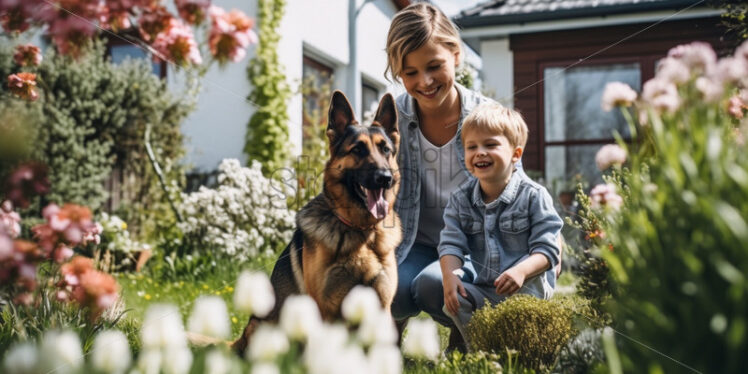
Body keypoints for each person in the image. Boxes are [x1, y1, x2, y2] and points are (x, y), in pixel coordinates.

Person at [385, 2, 492, 350]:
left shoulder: (486, 118)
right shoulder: (394, 117)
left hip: (471, 248)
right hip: (412, 241)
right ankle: (387, 340)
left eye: (434, 67)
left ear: (456, 56)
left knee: (433, 286)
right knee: (390, 287)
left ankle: (463, 341)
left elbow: (516, 189)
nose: (424, 82)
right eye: (410, 72)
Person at [438, 102, 563, 347]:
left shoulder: (534, 196)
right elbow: (450, 244)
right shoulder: (460, 199)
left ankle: (519, 349)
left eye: (491, 145)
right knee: (456, 299)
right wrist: (450, 277)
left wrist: (521, 272)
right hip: (486, 288)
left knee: (522, 316)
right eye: (471, 147)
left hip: (527, 288)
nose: (480, 152)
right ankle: (482, 349)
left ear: (516, 155)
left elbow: (549, 250)